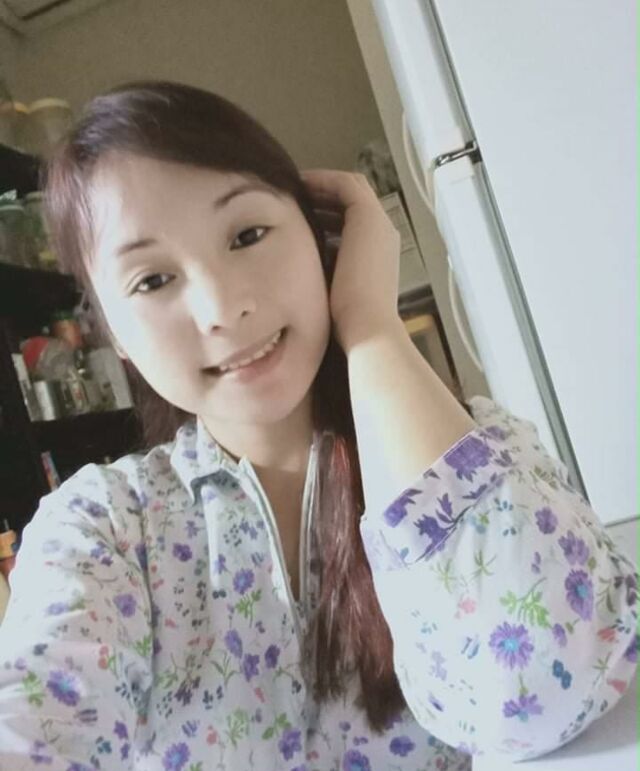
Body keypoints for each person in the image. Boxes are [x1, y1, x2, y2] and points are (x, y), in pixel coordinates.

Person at [0, 80, 636, 771]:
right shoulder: (103, 530)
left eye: (247, 235)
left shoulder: (474, 448)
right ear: (112, 333)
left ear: (318, 237)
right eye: (152, 280)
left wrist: (371, 324)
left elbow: (546, 694)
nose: (222, 308)